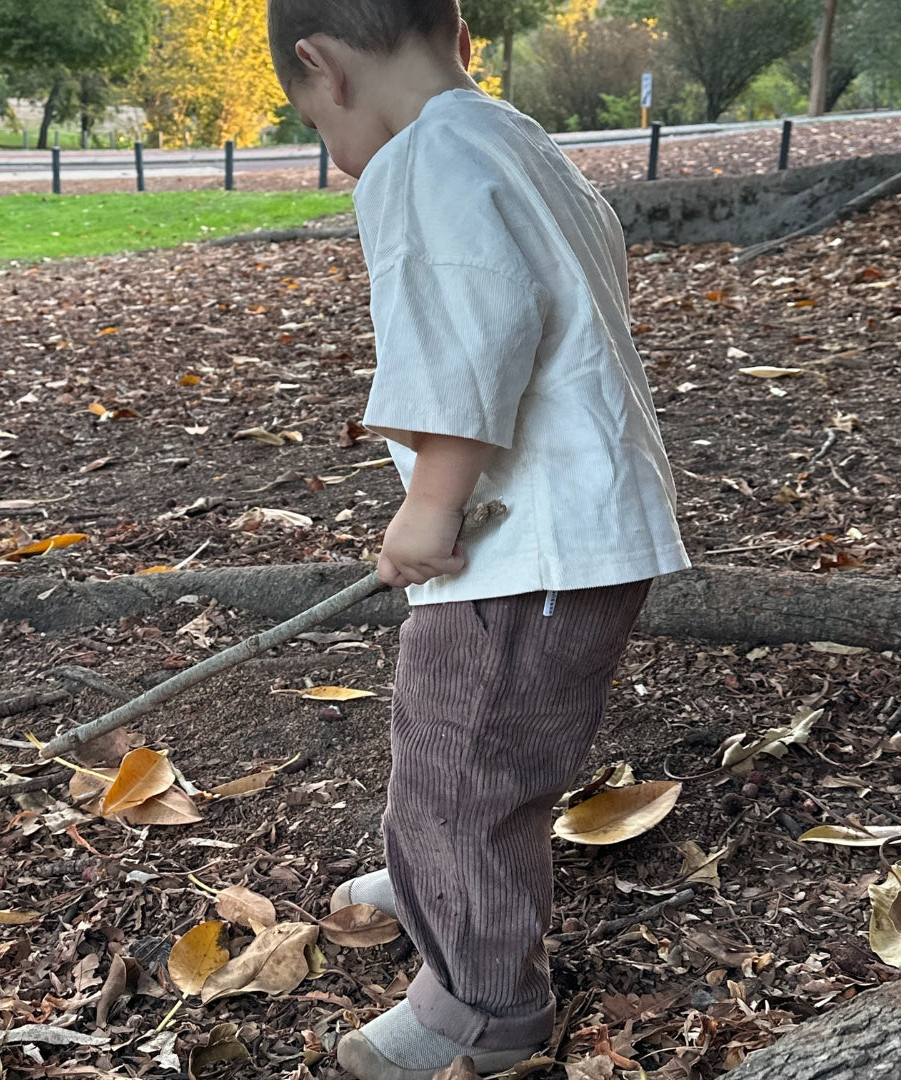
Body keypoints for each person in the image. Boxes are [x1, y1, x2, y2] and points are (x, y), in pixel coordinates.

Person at [266, 2, 690, 1077]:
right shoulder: (515, 140)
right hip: (584, 533)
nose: (334, 151)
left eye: (313, 124)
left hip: (523, 546)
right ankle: (430, 889)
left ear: (325, 68)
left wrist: (430, 505)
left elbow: (469, 340)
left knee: (464, 771)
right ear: (457, 37)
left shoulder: (419, 164)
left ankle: (482, 1010)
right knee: (469, 746)